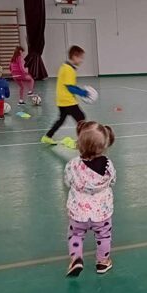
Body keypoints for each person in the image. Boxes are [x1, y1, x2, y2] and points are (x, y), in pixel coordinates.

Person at [64, 121, 116, 276]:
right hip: (102, 213)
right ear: (104, 145)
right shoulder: (108, 165)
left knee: (75, 235)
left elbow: (67, 181)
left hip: (78, 212)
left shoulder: (73, 165)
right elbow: (113, 181)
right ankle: (102, 262)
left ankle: (76, 259)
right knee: (104, 236)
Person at [41, 45, 89, 145]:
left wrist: (80, 91)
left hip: (61, 100)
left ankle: (47, 136)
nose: (81, 60)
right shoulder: (69, 69)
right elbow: (70, 87)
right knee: (81, 118)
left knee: (61, 120)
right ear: (74, 56)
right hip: (68, 101)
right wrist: (82, 93)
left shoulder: (64, 66)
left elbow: (69, 85)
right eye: (80, 57)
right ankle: (83, 142)